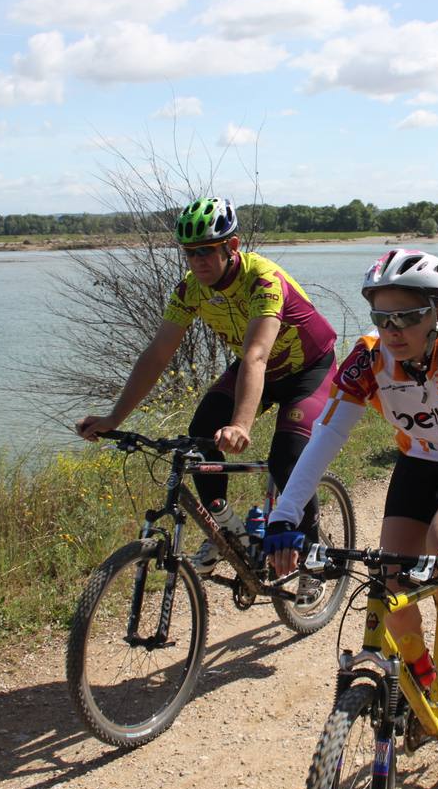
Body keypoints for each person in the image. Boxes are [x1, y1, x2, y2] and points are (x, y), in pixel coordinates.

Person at [265, 249, 438, 745]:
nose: (393, 328)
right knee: (388, 569)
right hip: (419, 462)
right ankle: (421, 675)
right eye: (382, 317)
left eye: (407, 316)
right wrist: (284, 516)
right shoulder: (369, 358)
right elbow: (326, 436)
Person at [77, 196, 338, 573]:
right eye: (189, 253)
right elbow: (157, 354)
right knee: (200, 436)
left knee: (287, 458)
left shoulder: (263, 280)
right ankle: (228, 532)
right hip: (259, 369)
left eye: (206, 251)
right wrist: (114, 417)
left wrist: (241, 425)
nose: (197, 261)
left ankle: (313, 554)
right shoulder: (190, 290)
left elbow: (256, 356)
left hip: (308, 371)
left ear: (231, 247)